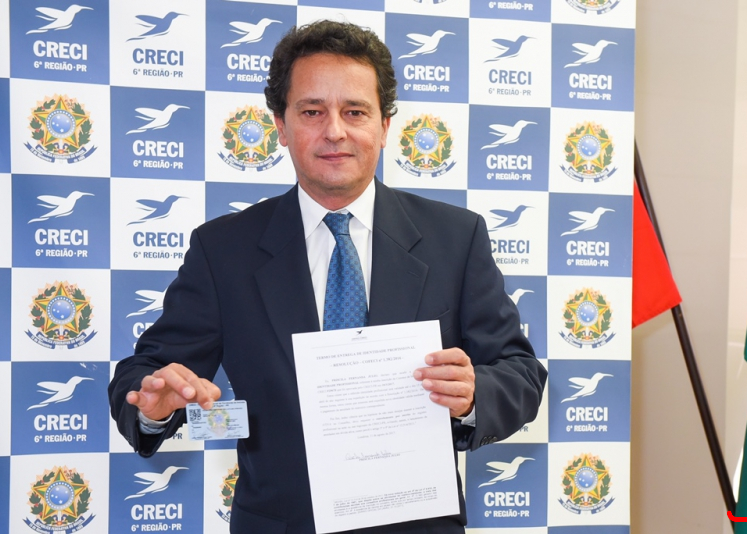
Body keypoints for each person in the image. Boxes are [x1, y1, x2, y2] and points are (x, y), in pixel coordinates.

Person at [109, 20, 546, 534]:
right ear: (281, 126)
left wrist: (473, 395)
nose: (334, 131)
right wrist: (154, 405)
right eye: (312, 111)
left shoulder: (457, 237)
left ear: (384, 126)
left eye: (355, 111)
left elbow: (521, 374)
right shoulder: (223, 250)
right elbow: (146, 372)